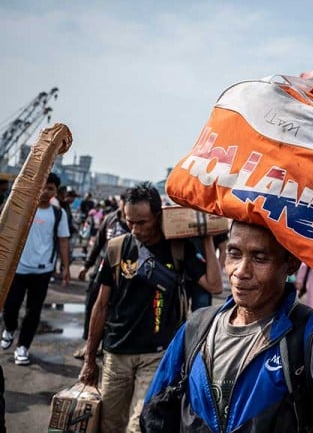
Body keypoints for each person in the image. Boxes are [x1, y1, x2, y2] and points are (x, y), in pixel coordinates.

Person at [141, 160, 313, 431]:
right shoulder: (196, 329)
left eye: (259, 258)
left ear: (290, 264)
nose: (241, 271)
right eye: (234, 254)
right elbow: (156, 412)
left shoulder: (306, 337)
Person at [77, 182, 222, 432]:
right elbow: (100, 306)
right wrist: (90, 358)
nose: (134, 229)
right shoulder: (117, 248)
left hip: (157, 355)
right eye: (129, 221)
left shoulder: (178, 248)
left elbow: (214, 285)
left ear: (157, 215)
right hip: (116, 353)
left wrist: (206, 236)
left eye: (141, 222)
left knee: (140, 426)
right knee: (110, 425)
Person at [1, 172, 70, 366]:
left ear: (55, 192)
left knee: (33, 311)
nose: (46, 191)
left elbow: (63, 241)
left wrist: (65, 267)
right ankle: (9, 328)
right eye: (43, 186)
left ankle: (23, 347)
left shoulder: (58, 214)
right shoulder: (21, 209)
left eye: (51, 188)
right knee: (10, 305)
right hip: (18, 269)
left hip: (42, 271)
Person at [74, 192, 130, 360]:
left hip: (123, 276)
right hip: (101, 271)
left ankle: (105, 345)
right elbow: (98, 244)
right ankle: (89, 344)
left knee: (114, 311)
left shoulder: (134, 223)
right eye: (123, 202)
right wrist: (86, 266)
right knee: (92, 305)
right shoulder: (110, 219)